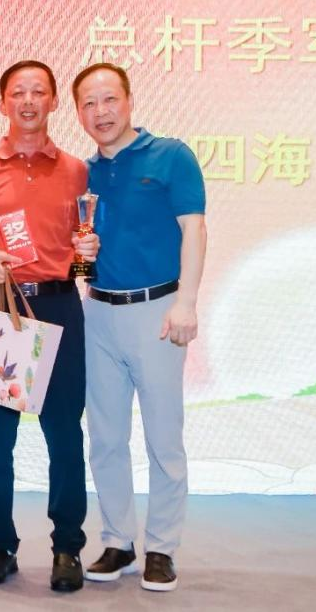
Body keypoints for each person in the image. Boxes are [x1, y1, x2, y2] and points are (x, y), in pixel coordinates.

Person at [0, 60, 97, 592]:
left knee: (65, 435)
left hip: (59, 307)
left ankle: (67, 548)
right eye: (19, 92)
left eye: (39, 92)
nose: (29, 101)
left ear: (54, 102)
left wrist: (87, 255)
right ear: (2, 103)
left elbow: (83, 250)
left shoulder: (78, 171)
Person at [71, 63, 207, 593]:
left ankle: (162, 547)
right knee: (105, 436)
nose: (100, 112)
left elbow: (194, 230)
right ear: (78, 112)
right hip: (98, 312)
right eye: (89, 103)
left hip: (158, 311)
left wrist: (187, 302)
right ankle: (118, 541)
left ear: (128, 101)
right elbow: (80, 252)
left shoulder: (170, 156)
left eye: (109, 99)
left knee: (163, 437)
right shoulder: (82, 173)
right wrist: (81, 254)